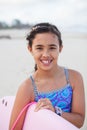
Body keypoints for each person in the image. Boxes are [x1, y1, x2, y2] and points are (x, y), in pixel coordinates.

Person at [9, 23, 85, 130]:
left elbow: (79, 121)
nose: (46, 54)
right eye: (39, 48)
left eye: (52, 48)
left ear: (60, 48)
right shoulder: (27, 88)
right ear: (30, 49)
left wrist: (55, 111)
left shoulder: (74, 78)